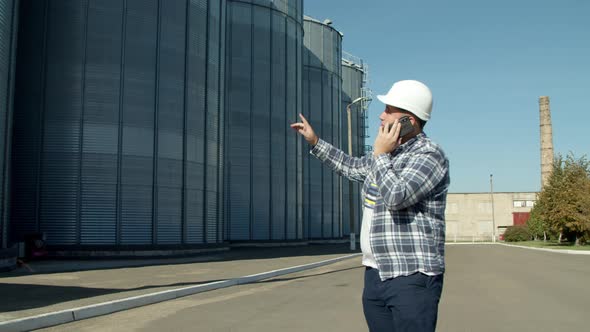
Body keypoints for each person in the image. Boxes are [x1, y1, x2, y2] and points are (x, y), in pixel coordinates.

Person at [291, 80, 450, 332]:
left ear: (408, 120)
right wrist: (315, 142)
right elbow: (352, 167)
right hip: (375, 274)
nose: (381, 114)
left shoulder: (429, 155)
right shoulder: (387, 154)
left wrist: (381, 155)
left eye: (388, 109)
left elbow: (397, 196)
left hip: (411, 275)